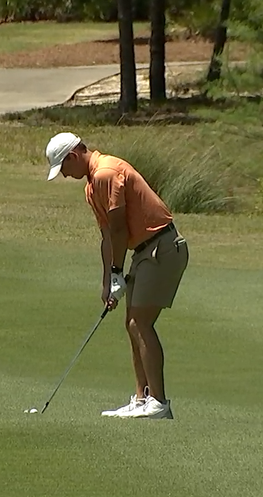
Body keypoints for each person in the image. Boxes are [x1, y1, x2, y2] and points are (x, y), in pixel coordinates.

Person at [45, 132, 188, 420]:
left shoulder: (106, 173)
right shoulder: (91, 186)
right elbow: (108, 236)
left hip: (162, 247)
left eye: (64, 169)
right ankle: (141, 399)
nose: (65, 176)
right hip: (145, 251)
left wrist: (117, 273)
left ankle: (158, 402)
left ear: (73, 156)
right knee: (131, 322)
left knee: (140, 322)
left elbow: (121, 228)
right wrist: (107, 282)